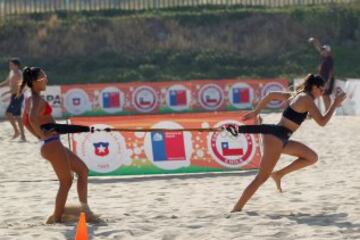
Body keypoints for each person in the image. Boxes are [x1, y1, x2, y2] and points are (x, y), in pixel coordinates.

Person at [227, 74, 346, 212]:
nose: (322, 93)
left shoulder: (298, 95)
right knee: (261, 177)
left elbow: (271, 95)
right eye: (321, 90)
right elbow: (322, 122)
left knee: (311, 157)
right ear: (314, 87)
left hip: (281, 137)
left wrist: (256, 111)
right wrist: (335, 104)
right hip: (276, 137)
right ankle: (237, 208)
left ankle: (279, 174)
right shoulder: (306, 98)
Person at [19, 66, 94, 223]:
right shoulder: (35, 99)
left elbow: (25, 121)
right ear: (33, 82)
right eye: (42, 76)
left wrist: (39, 135)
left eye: (45, 75)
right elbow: (31, 118)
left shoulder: (30, 98)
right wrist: (41, 134)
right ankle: (56, 218)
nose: (46, 78)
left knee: (82, 170)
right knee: (66, 182)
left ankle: (84, 210)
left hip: (51, 143)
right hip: (52, 145)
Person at [0, 58, 26, 141]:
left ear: (16, 65)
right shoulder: (11, 72)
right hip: (13, 96)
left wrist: (7, 92)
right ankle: (23, 136)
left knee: (8, 113)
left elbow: (20, 87)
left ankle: (17, 131)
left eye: (11, 64)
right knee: (18, 116)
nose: (9, 66)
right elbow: (7, 82)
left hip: (17, 96)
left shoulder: (19, 74)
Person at [308, 37, 335, 111]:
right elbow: (319, 48)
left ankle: (328, 111)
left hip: (327, 80)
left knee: (325, 95)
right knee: (324, 95)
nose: (322, 51)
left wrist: (328, 82)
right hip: (322, 79)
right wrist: (315, 42)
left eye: (324, 50)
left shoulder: (329, 59)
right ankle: (328, 111)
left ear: (328, 51)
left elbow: (331, 72)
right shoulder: (324, 57)